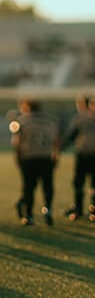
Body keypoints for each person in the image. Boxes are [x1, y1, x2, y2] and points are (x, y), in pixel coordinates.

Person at [10, 98, 59, 226]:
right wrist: (55, 156)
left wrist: (17, 158)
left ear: (27, 107)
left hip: (29, 157)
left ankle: (29, 215)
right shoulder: (50, 121)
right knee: (47, 186)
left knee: (29, 187)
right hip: (46, 157)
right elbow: (56, 141)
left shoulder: (22, 121)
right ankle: (48, 210)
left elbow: (17, 143)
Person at [60, 94, 95, 222]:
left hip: (84, 153)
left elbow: (71, 135)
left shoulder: (80, 118)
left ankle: (79, 210)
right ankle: (93, 211)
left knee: (79, 183)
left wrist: (60, 147)